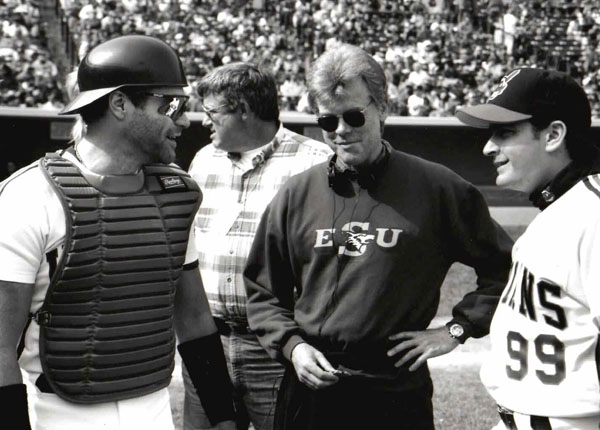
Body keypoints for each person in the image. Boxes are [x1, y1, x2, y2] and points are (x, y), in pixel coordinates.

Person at [243, 43, 514, 430]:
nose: (341, 131)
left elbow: (508, 267)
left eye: (353, 116)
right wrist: (294, 347)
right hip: (310, 388)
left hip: (394, 392)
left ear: (382, 108)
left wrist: (457, 328)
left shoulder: (437, 187)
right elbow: (262, 289)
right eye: (328, 121)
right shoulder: (296, 193)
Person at [0, 35, 236, 430]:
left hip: (155, 408)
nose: (183, 120)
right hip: (58, 413)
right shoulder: (27, 197)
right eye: (170, 105)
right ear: (120, 104)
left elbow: (194, 319)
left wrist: (224, 417)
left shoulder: (175, 196)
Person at [184, 62, 332, 430]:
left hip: (277, 350)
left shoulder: (315, 162)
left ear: (245, 110)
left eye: (212, 112)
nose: (204, 122)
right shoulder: (203, 161)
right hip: (208, 345)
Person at [457, 68, 600, 430]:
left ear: (553, 135)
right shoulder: (564, 207)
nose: (488, 147)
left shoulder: (593, 213)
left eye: (505, 133)